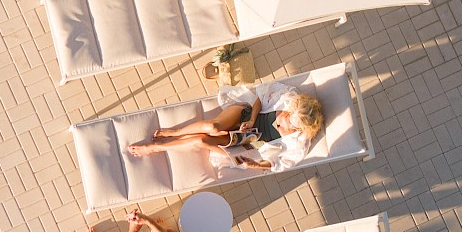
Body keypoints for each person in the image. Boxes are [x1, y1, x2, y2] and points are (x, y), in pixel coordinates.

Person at [126, 80, 325, 173]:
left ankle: (155, 147)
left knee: (201, 141)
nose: (286, 118)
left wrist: (255, 165)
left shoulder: (299, 144)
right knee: (213, 127)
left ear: (301, 129)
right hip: (246, 115)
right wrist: (252, 119)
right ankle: (175, 132)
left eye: (292, 123)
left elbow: (279, 164)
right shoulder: (289, 97)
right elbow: (260, 97)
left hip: (247, 144)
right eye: (289, 114)